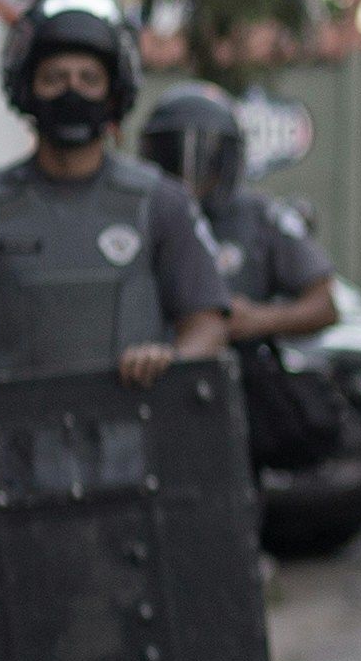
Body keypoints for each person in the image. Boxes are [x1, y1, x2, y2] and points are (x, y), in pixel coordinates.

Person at [0, 0, 236, 405]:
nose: (72, 91)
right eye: (54, 78)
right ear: (26, 89)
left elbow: (208, 321)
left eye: (89, 79)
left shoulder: (162, 202)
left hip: (133, 447)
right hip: (13, 446)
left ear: (114, 93)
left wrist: (171, 360)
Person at [143, 77, 347, 486]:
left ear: (227, 160)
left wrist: (257, 319)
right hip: (150, 387)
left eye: (204, 153)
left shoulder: (258, 217)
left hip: (235, 392)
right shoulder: (135, 215)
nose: (189, 170)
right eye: (175, 153)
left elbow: (324, 303)